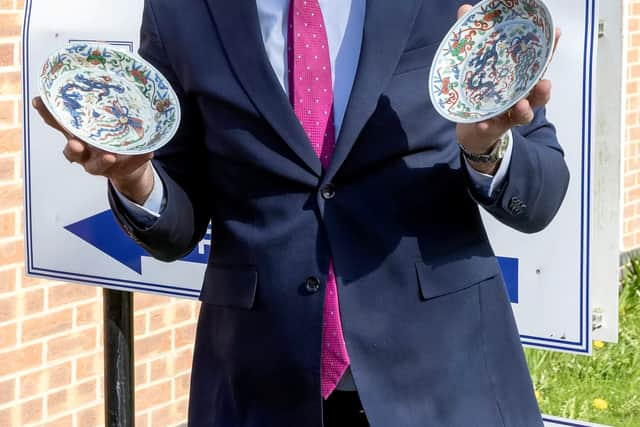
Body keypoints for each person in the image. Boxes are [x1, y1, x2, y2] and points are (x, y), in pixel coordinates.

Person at [33, 0, 569, 425]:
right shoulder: (182, 8)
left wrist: (485, 150)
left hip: (446, 382)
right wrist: (134, 177)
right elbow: (177, 225)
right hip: (259, 387)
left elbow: (540, 195)